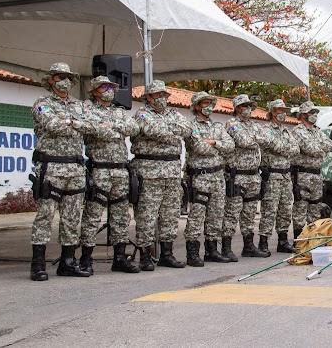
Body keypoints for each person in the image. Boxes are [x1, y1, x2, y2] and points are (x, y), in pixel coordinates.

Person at [29, 62, 97, 281]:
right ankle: (38, 264)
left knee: (71, 217)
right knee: (45, 216)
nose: (65, 81)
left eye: (68, 77)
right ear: (51, 80)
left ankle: (68, 262)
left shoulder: (80, 105)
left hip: (75, 168)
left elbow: (93, 126)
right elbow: (52, 125)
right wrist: (74, 123)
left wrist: (69, 121)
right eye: (60, 76)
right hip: (51, 167)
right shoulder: (42, 103)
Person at [78, 76, 140, 275]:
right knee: (93, 215)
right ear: (95, 91)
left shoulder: (119, 112)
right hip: (100, 169)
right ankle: (86, 258)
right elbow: (91, 129)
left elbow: (134, 128)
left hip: (121, 170)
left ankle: (119, 258)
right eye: (105, 87)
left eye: (112, 87)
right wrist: (114, 129)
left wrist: (109, 128)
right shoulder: (88, 110)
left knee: (121, 215)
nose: (110, 90)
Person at [130, 80, 192, 271]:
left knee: (170, 215)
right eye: (157, 95)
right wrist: (172, 131)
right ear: (148, 97)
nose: (162, 98)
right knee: (147, 215)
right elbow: (153, 131)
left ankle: (167, 254)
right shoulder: (141, 114)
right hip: (149, 172)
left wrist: (168, 130)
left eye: (164, 95)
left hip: (172, 172)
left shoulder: (174, 113)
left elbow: (188, 129)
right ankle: (145, 255)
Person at [183, 92, 234, 266]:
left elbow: (230, 145)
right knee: (197, 215)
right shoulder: (190, 126)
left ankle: (212, 250)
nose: (209, 106)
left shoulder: (218, 126)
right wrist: (216, 143)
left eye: (211, 103)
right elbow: (198, 147)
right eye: (205, 103)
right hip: (200, 176)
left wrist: (212, 142)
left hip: (218, 176)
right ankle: (192, 252)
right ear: (197, 106)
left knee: (216, 214)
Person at [223, 94, 270, 260]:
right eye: (244, 106)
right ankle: (226, 247)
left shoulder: (255, 125)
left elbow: (268, 141)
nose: (248, 109)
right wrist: (258, 139)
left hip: (253, 176)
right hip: (238, 177)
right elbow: (243, 141)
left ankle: (248, 246)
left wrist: (258, 139)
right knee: (232, 212)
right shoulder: (232, 124)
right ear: (237, 108)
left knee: (249, 213)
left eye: (249, 105)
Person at [258, 99, 300, 254]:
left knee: (285, 209)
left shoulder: (286, 131)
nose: (283, 113)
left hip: (286, 175)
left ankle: (283, 241)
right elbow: (269, 143)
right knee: (270, 209)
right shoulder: (266, 129)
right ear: (272, 111)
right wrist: (283, 147)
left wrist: (280, 147)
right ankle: (264, 242)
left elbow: (296, 149)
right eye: (280, 110)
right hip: (272, 174)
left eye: (284, 110)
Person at [290, 101, 332, 240]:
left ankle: (313, 238)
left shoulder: (317, 131)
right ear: (302, 115)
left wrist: (319, 148)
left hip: (316, 175)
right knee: (300, 208)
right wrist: (320, 149)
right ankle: (299, 239)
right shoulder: (297, 131)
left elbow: (329, 144)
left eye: (315, 113)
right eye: (311, 113)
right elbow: (309, 148)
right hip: (302, 174)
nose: (314, 115)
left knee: (315, 208)